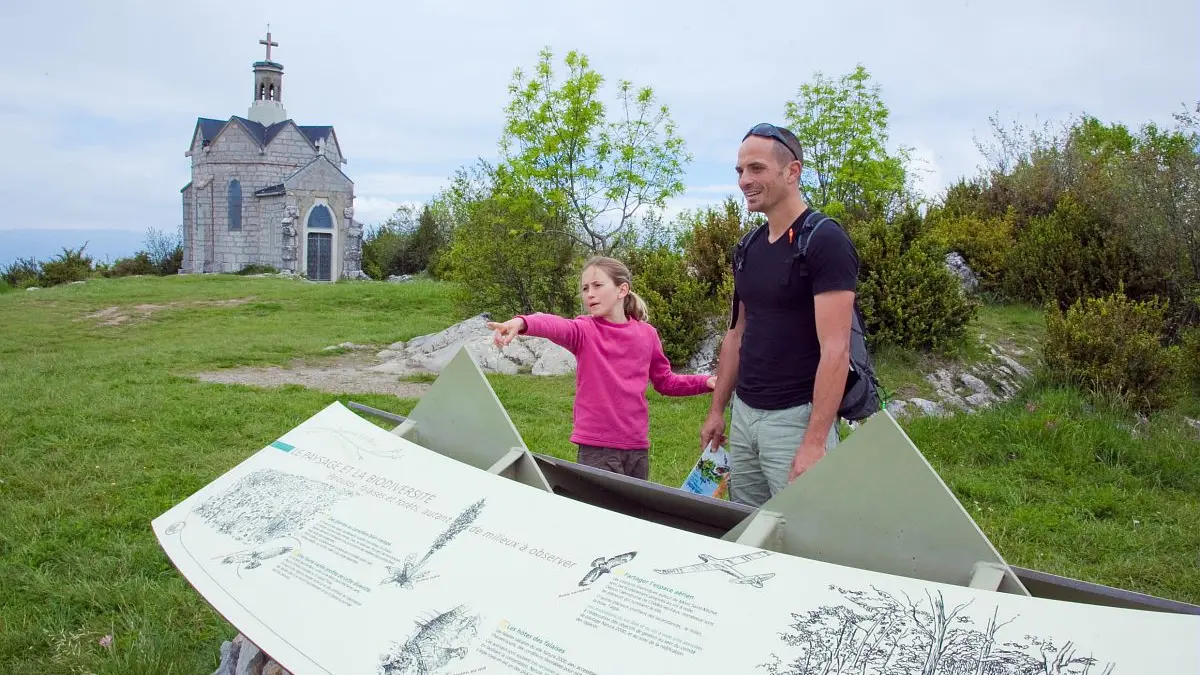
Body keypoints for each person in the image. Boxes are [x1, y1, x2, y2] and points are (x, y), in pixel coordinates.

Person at [699, 122, 860, 508]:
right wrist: (718, 409)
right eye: (740, 171)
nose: (744, 181)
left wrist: (815, 442)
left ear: (792, 172)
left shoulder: (824, 240)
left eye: (756, 169)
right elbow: (737, 335)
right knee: (746, 525)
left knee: (802, 532)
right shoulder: (748, 246)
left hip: (795, 419)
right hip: (745, 414)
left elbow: (836, 350)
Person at [489, 255, 716, 481]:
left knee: (632, 516)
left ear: (622, 290)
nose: (590, 293)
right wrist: (520, 323)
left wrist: (705, 382)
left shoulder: (647, 335)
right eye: (585, 288)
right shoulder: (584, 331)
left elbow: (666, 381)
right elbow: (554, 324)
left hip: (637, 449)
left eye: (597, 285)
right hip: (596, 449)